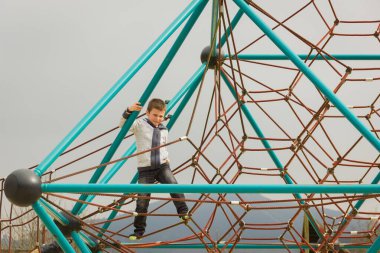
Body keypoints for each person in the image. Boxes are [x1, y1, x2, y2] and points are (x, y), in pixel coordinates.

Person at [120, 98, 189, 240]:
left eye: (161, 116)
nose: (158, 119)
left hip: (162, 165)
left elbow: (163, 145)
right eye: (155, 115)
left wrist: (167, 158)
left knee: (173, 185)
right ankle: (138, 231)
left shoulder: (164, 128)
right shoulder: (140, 124)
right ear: (147, 113)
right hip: (146, 168)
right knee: (142, 201)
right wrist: (128, 111)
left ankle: (183, 212)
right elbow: (123, 126)